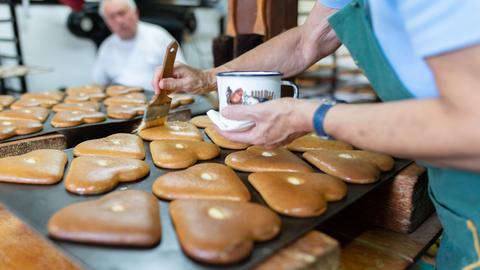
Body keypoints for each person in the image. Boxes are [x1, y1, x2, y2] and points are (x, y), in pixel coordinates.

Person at [152, 1, 480, 269]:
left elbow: (471, 127)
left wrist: (314, 116)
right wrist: (207, 78)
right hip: (447, 181)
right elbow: (304, 42)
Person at [92, 0, 186, 90]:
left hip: (157, 98)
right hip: (121, 101)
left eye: (122, 13)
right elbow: (98, 84)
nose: (119, 21)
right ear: (106, 22)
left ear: (136, 13)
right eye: (112, 17)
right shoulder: (107, 47)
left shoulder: (159, 37)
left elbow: (182, 76)